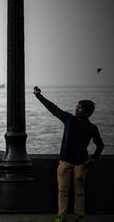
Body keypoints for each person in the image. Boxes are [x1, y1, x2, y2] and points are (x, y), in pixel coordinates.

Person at [33, 86, 104, 222]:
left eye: (81, 108)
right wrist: (39, 96)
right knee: (62, 191)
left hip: (80, 164)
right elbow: (54, 109)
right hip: (64, 162)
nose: (77, 109)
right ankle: (61, 216)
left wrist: (92, 160)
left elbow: (100, 145)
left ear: (88, 113)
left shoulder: (91, 128)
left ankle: (80, 216)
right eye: (77, 106)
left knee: (79, 192)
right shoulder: (69, 120)